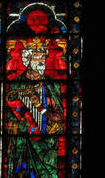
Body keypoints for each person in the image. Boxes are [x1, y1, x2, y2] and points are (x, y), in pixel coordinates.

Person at [5, 40, 65, 178]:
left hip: (47, 145)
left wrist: (40, 108)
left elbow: (60, 117)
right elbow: (10, 117)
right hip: (23, 142)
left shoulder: (51, 85)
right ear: (28, 59)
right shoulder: (16, 84)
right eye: (38, 57)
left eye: (44, 57)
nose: (42, 60)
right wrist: (24, 124)